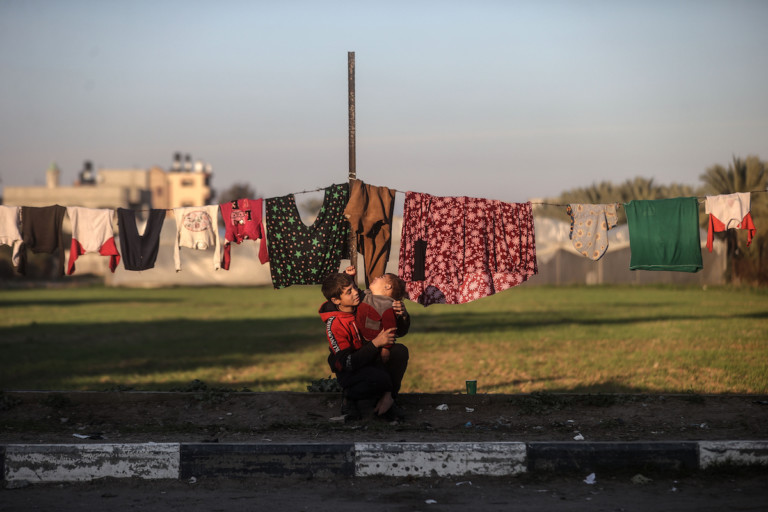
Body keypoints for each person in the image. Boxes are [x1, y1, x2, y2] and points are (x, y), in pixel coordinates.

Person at [319, 270, 410, 420]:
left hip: (370, 357)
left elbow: (396, 331)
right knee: (378, 378)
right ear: (336, 300)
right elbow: (346, 362)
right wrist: (376, 343)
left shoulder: (364, 301)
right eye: (349, 292)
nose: (356, 292)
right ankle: (350, 398)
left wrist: (402, 316)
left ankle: (389, 399)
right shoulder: (335, 324)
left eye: (355, 287)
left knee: (400, 351)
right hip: (352, 369)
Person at [344, 266, 408, 364]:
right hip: (359, 341)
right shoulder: (366, 294)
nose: (376, 277)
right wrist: (349, 277)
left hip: (376, 345)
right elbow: (353, 291)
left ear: (387, 286)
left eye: (381, 277)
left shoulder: (387, 305)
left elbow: (390, 329)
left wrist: (386, 348)